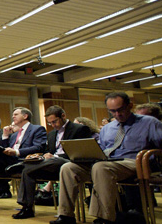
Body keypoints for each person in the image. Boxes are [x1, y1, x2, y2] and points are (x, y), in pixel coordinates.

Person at [51, 92, 162, 224]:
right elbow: (102, 150)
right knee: (68, 167)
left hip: (133, 162)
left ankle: (104, 218)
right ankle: (65, 216)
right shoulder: (107, 128)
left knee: (101, 167)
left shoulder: (149, 122)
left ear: (130, 106)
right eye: (112, 111)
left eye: (120, 110)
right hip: (107, 162)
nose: (117, 114)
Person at [12, 105, 91, 219]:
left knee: (50, 160)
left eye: (55, 121)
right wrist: (46, 155)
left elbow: (81, 152)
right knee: (28, 171)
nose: (53, 125)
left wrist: (53, 156)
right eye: (50, 123)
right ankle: (26, 208)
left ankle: (21, 164)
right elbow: (47, 151)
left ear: (63, 116)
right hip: (51, 165)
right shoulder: (52, 134)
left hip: (70, 163)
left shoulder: (79, 129)